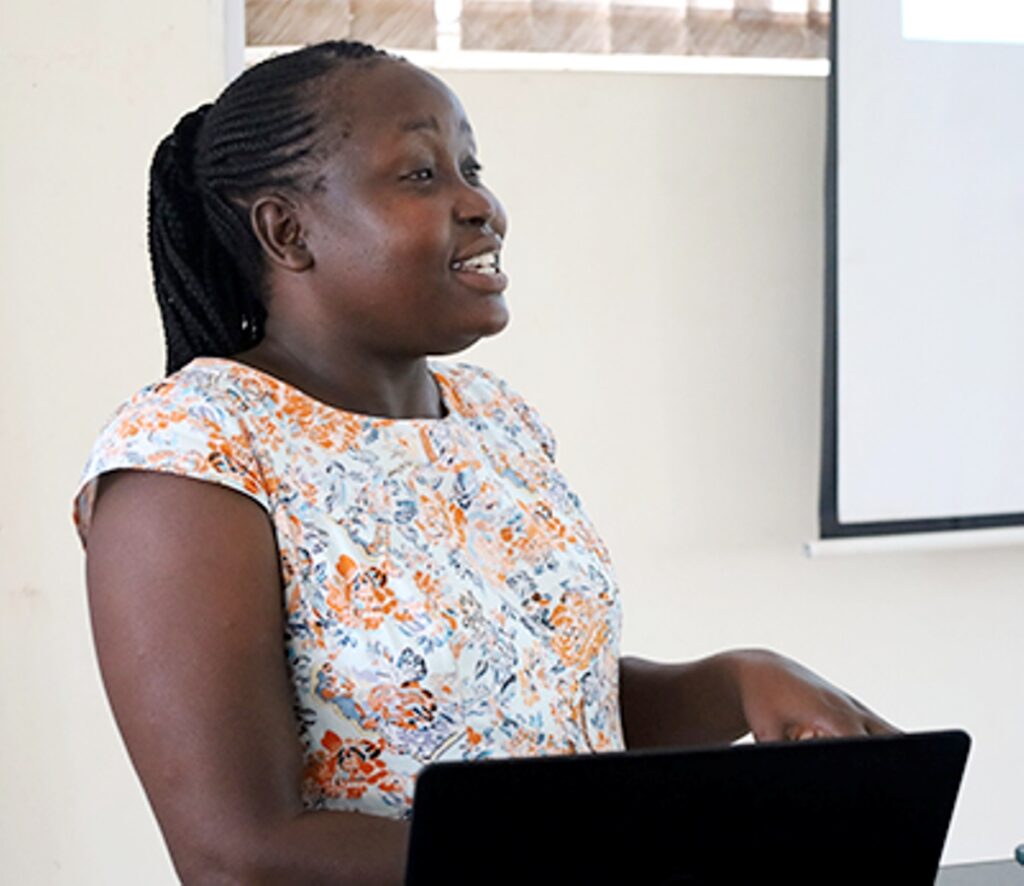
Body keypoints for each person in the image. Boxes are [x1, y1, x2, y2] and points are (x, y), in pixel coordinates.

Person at [74, 40, 895, 884]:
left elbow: (531, 706)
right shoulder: (191, 456)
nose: (481, 204)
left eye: (471, 167)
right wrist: (587, 863)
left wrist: (735, 682)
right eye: (422, 175)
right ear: (288, 231)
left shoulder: (496, 419)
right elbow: (237, 853)